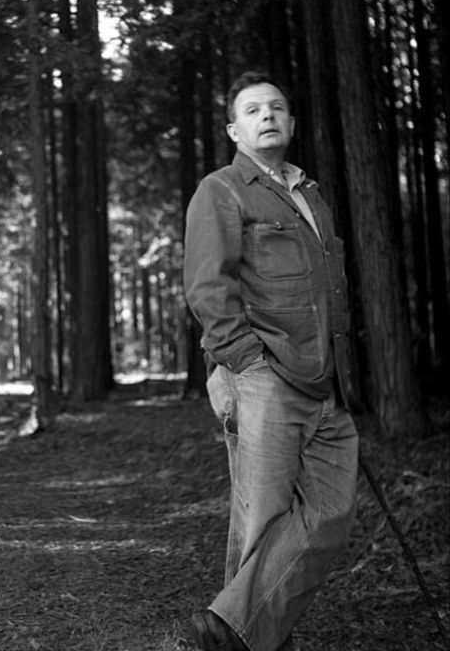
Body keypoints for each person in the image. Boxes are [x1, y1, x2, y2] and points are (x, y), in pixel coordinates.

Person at [183, 71, 359, 651]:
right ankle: (250, 641)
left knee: (331, 514)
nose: (268, 115)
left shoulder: (311, 194)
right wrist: (244, 362)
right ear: (235, 129)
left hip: (324, 379)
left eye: (278, 107)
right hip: (264, 375)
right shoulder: (222, 189)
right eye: (254, 109)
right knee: (260, 519)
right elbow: (209, 285)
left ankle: (229, 629)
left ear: (291, 122)